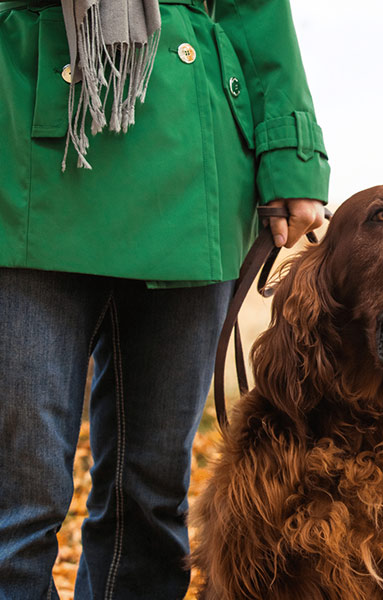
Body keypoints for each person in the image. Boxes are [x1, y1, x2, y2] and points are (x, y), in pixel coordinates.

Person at [0, 0, 330, 597]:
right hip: (22, 133)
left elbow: (254, 9)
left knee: (151, 502)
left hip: (192, 158)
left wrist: (289, 150)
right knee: (16, 509)